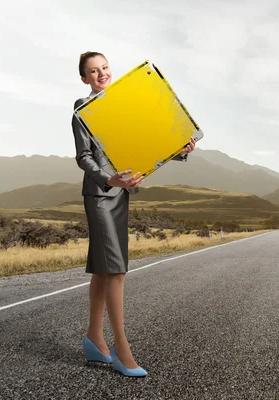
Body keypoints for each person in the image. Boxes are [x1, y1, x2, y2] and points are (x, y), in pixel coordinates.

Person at [72, 51, 196, 377]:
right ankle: (121, 348)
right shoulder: (83, 110)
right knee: (116, 270)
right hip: (100, 194)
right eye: (93, 71)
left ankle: (93, 339)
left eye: (105, 67)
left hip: (120, 195)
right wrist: (108, 178)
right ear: (84, 78)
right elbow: (84, 158)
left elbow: (144, 143)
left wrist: (179, 149)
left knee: (103, 269)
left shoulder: (122, 109)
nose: (101, 74)